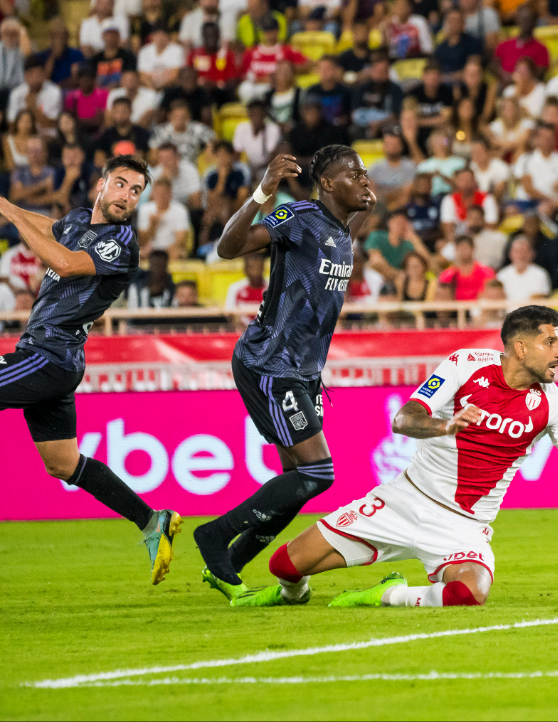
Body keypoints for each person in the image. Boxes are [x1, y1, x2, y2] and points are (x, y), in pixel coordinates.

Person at [228, 305, 558, 608]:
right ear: (520, 346)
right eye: (551, 342)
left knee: (470, 593)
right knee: (284, 566)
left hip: (464, 526)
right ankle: (293, 595)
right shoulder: (465, 365)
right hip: (403, 500)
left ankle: (388, 594)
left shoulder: (555, 406)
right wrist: (446, 426)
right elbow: (404, 419)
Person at [196, 147, 378, 599]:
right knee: (319, 471)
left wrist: (367, 197)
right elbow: (227, 248)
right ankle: (215, 535)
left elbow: (352, 220)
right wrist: (263, 191)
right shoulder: (299, 217)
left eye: (365, 172)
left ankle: (231, 564)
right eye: (354, 174)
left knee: (296, 482)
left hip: (304, 373)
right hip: (270, 363)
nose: (364, 180)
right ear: (328, 184)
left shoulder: (341, 229)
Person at [0, 154, 182, 585]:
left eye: (135, 191)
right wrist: (10, 207)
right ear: (101, 185)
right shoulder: (81, 220)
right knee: (62, 463)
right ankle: (151, 519)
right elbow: (53, 229)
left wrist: (7, 210)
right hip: (53, 358)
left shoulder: (122, 242)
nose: (127, 196)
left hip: (49, 355)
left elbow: (64, 262)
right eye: (120, 184)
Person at [497, 234, 552, 301]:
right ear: (510, 254)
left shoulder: (541, 274)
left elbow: (543, 299)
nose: (521, 256)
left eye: (524, 252)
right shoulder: (502, 275)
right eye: (517, 252)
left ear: (532, 254)